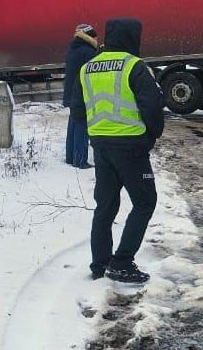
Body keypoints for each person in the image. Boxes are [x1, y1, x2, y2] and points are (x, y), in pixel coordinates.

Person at [78, 18, 164, 284]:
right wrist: (149, 137)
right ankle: (123, 262)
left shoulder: (87, 68)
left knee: (105, 205)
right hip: (130, 146)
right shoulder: (134, 66)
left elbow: (78, 110)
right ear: (132, 37)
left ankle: (100, 263)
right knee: (145, 202)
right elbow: (152, 107)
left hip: (101, 146)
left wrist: (97, 133)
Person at [63, 24, 99, 169]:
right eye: (95, 36)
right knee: (82, 126)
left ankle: (70, 157)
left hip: (71, 93)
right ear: (89, 36)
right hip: (82, 94)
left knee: (73, 124)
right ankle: (80, 160)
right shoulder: (88, 52)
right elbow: (92, 75)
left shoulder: (73, 49)